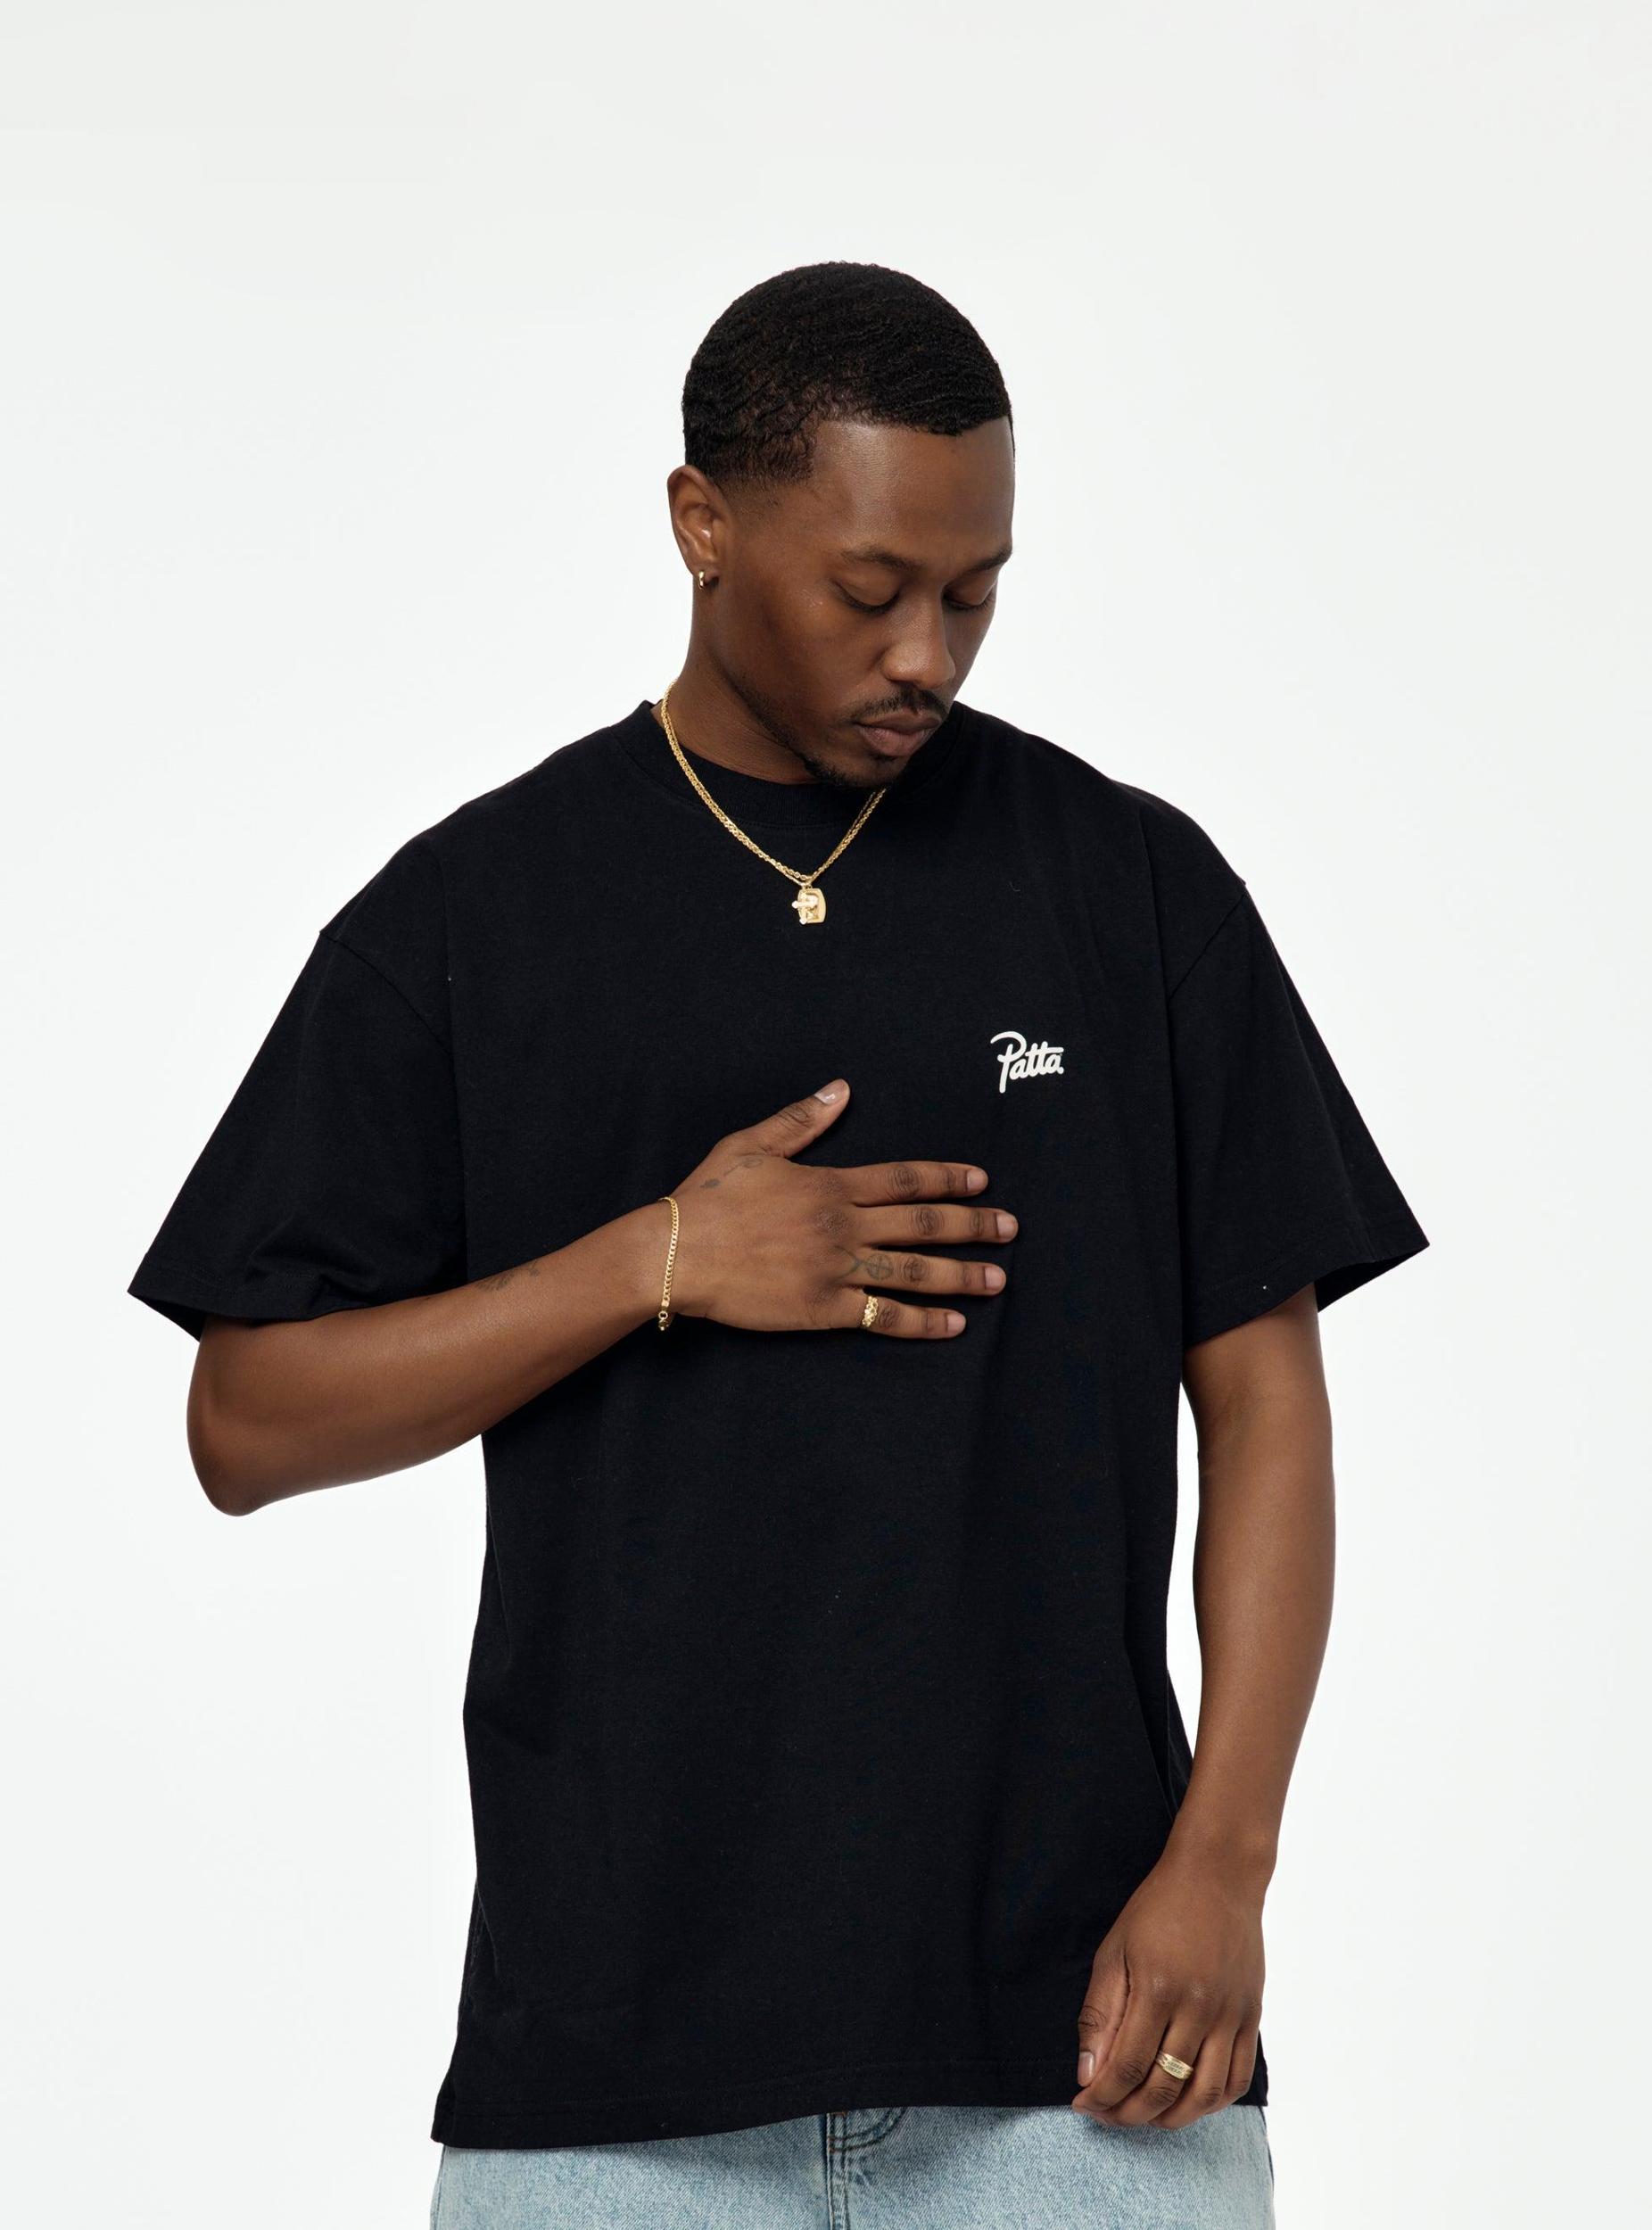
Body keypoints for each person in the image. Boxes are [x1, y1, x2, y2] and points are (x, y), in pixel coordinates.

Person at [128, 260, 1428, 2228]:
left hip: (1087, 2064)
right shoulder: (478, 915)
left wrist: (1223, 1866)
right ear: (702, 522)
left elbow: (1263, 1404)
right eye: (869, 589)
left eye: (974, 593)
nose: (926, 652)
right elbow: (245, 1420)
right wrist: (657, 1258)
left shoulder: (1129, 888)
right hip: (612, 2093)